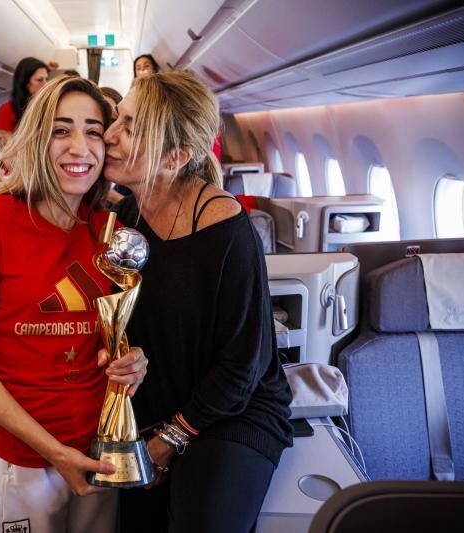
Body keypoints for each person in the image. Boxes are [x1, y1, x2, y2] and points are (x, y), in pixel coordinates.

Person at [0, 76, 148, 533]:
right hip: (20, 455)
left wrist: (133, 363)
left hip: (98, 448)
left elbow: (109, 336)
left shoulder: (107, 229)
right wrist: (54, 453)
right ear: (37, 138)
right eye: (61, 130)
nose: (80, 146)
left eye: (94, 131)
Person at [104, 70, 293, 533]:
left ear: (176, 157)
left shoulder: (224, 227)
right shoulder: (126, 218)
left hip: (231, 411)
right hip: (156, 404)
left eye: (130, 127)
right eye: (117, 119)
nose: (109, 135)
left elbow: (241, 369)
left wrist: (165, 444)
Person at [0, 57, 48, 148]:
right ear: (25, 83)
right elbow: (7, 149)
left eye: (46, 79)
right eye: (39, 80)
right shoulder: (7, 110)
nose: (46, 84)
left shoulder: (49, 107)